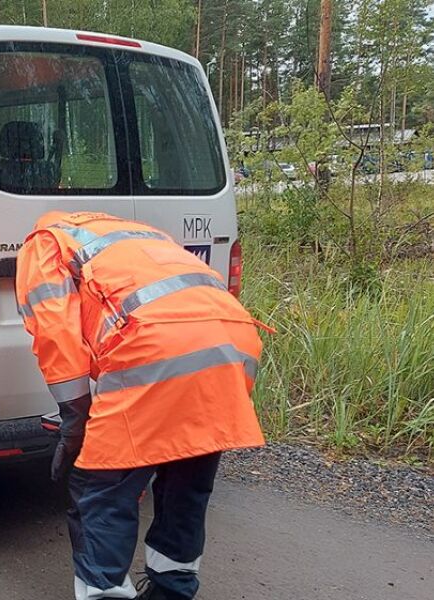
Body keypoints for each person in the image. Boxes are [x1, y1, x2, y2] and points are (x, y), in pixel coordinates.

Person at [15, 211, 267, 600]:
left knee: (101, 486)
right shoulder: (139, 233)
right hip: (232, 344)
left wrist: (75, 423)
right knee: (187, 474)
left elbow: (57, 337)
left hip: (153, 347)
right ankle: (172, 589)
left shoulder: (44, 243)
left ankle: (105, 593)